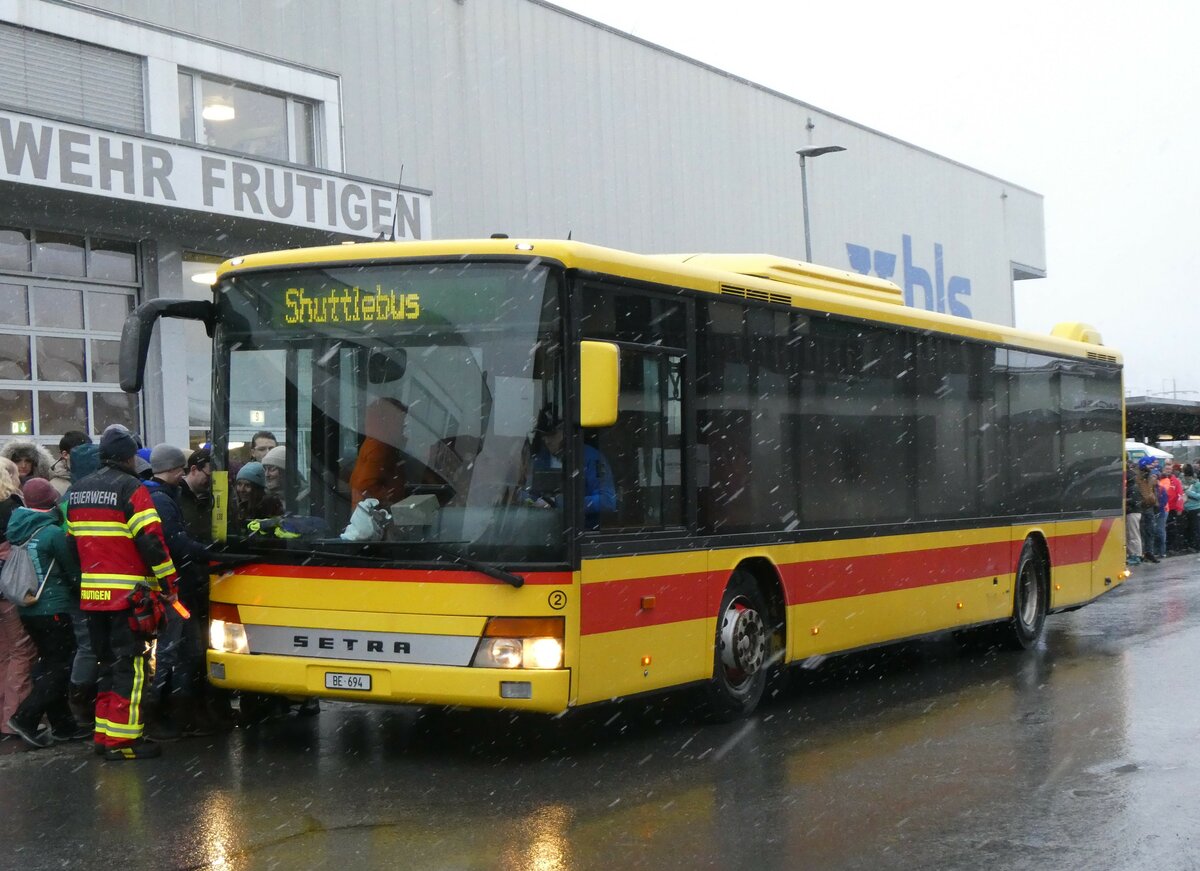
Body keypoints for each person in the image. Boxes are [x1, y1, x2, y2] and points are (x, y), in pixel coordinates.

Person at [66, 427, 180, 760]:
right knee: (132, 666)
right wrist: (169, 586)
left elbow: (72, 544)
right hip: (129, 598)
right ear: (130, 457)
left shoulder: (79, 489)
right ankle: (123, 742)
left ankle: (104, 734)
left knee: (107, 664)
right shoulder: (131, 488)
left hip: (93, 597)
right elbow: (152, 542)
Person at [5, 478, 90, 748]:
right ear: (51, 500)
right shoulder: (52, 533)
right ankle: (25, 717)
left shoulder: (18, 528)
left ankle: (64, 725)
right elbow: (73, 572)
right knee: (60, 665)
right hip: (53, 608)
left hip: (28, 607)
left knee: (49, 663)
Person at [143, 445, 216, 739]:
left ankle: (175, 714)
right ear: (177, 470)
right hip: (173, 590)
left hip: (164, 588)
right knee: (176, 651)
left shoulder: (147, 495)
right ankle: (167, 714)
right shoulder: (162, 499)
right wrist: (211, 553)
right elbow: (174, 543)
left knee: (181, 650)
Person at [527, 408, 616, 529]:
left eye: (551, 434)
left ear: (565, 432)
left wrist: (559, 503)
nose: (546, 440)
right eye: (543, 435)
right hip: (545, 532)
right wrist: (526, 499)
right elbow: (531, 493)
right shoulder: (541, 459)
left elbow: (607, 502)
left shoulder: (591, 458)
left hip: (582, 535)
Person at [0, 457, 35, 739]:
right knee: (21, 651)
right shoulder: (14, 507)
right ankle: (15, 716)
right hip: (9, 588)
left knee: (1, 653)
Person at [350, 399, 410, 510]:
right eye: (401, 420)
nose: (404, 426)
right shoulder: (380, 447)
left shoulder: (377, 442)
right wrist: (389, 499)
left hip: (371, 517)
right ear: (389, 421)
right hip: (376, 518)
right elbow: (365, 484)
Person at [231, 462, 282, 529]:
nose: (242, 490)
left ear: (258, 489)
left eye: (247, 485)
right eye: (239, 484)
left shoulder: (268, 509)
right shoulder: (237, 509)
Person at [178, 448, 213, 543]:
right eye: (208, 476)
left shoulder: (210, 497)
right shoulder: (177, 495)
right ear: (193, 469)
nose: (211, 481)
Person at [50, 431, 91, 496]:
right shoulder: (55, 488)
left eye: (90, 451)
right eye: (82, 451)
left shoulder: (97, 477)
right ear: (65, 455)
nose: (87, 456)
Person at [1136, 458, 1161, 564]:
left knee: (1150, 531)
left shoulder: (1150, 477)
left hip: (1149, 507)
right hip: (1141, 507)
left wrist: (1156, 503)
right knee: (1141, 531)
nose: (1152, 467)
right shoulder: (1137, 478)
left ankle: (1149, 552)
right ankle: (1142, 553)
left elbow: (1154, 491)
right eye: (1149, 465)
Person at [1125, 461, 1143, 566]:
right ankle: (1135, 554)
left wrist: (1125, 500)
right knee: (1133, 534)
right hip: (1135, 512)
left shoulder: (1132, 487)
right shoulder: (1135, 485)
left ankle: (1136, 555)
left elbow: (1133, 500)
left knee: (1133, 535)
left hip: (1133, 512)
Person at [1185, 464, 1200, 554]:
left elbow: (1199, 496)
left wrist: (1189, 492)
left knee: (1196, 528)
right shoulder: (1183, 482)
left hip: (1196, 508)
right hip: (1186, 509)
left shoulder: (1197, 484)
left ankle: (1196, 546)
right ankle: (1190, 545)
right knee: (1189, 528)